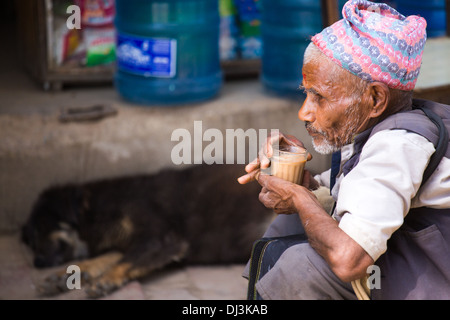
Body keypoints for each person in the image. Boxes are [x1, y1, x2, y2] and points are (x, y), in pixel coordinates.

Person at [238, 0, 450, 300]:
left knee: (303, 268)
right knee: (296, 217)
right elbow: (355, 193)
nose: (304, 113)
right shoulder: (373, 127)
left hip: (432, 283)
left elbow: (349, 259)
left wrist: (299, 198)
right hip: (403, 262)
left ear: (375, 98)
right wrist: (303, 183)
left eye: (319, 97)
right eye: (306, 94)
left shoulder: (399, 144)